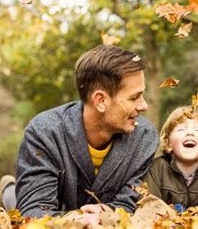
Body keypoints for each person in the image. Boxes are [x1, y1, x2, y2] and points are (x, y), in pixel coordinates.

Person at [13, 45, 159, 219]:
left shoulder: (145, 138)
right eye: (134, 97)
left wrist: (104, 217)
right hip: (58, 215)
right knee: (11, 202)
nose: (144, 105)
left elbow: (129, 203)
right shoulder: (44, 132)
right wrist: (78, 219)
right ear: (101, 100)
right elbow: (34, 210)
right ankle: (8, 190)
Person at [144, 106, 198, 209]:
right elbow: (149, 205)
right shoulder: (157, 168)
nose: (190, 132)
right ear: (168, 141)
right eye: (181, 129)